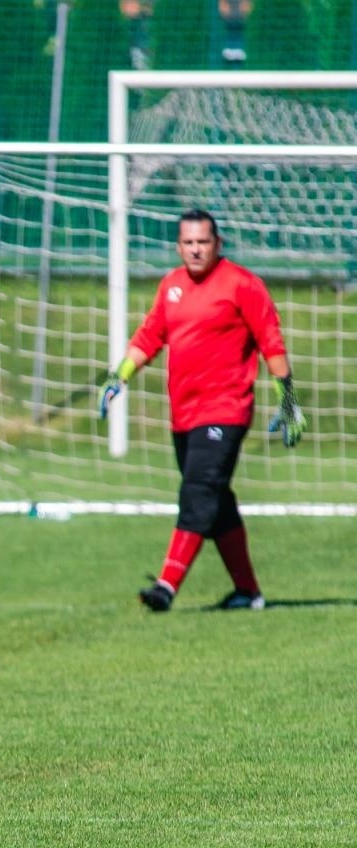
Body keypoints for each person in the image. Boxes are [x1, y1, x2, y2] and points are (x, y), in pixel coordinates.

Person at [99, 208, 307, 613]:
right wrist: (118, 376)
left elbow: (272, 343)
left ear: (218, 244)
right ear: (178, 246)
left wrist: (288, 400)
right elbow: (150, 336)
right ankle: (248, 592)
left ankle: (166, 587)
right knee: (215, 503)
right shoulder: (171, 286)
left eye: (203, 242)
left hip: (226, 410)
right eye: (188, 243)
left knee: (197, 493)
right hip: (184, 414)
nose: (196, 250)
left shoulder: (242, 285)